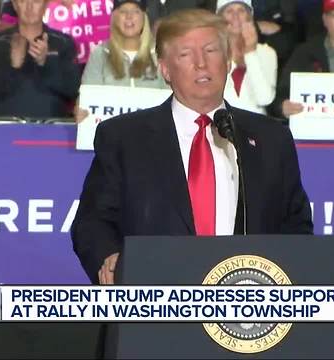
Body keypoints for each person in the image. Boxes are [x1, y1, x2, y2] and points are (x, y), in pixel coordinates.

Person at [71, 8, 313, 286]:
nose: (201, 63)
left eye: (211, 51)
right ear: (165, 69)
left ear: (228, 61)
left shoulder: (271, 139)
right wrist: (109, 259)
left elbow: (296, 226)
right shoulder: (123, 137)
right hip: (153, 306)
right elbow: (92, 222)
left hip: (247, 311)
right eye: (186, 54)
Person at [0, 0, 80, 118]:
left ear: (46, 5)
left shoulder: (63, 42)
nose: (29, 7)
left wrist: (47, 62)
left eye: (36, 2)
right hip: (7, 131)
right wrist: (13, 67)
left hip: (52, 129)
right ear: (15, 5)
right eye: (23, 1)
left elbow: (73, 90)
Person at [75, 0, 169, 122]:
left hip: (153, 131)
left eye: (135, 11)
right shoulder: (100, 54)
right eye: (123, 11)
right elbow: (88, 96)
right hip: (111, 134)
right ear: (114, 17)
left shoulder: (161, 53)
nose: (129, 17)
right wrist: (81, 109)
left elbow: (171, 97)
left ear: (144, 17)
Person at [216, 0, 277, 115]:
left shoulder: (266, 52)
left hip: (256, 126)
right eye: (229, 11)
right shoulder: (210, 53)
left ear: (249, 17)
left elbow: (264, 98)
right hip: (219, 125)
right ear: (219, 19)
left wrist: (250, 53)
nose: (236, 16)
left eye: (241, 10)